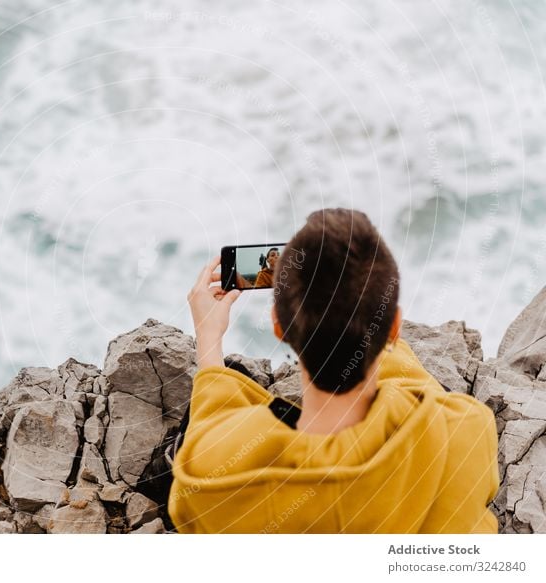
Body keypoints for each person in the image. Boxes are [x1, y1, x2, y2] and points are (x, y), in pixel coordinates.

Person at [167, 208, 500, 533]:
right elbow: (412, 385)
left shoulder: (210, 472)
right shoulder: (467, 431)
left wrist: (209, 338)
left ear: (279, 328)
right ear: (395, 327)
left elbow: (211, 421)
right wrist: (364, 318)